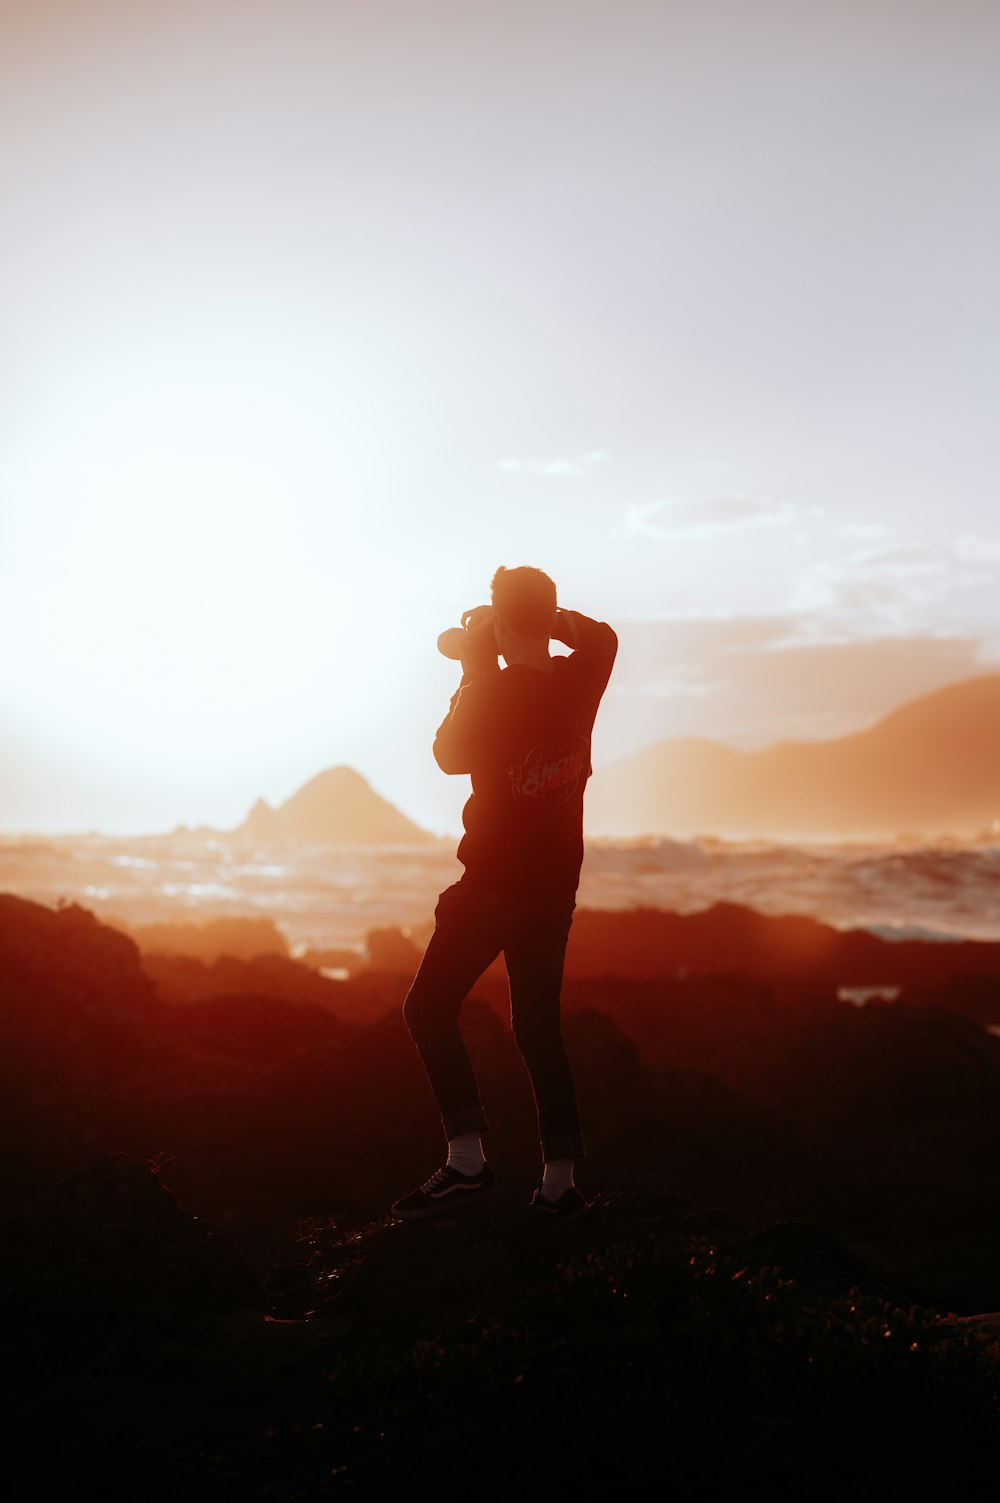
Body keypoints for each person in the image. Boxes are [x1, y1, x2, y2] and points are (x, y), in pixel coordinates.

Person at [391, 565, 618, 1220]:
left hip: (492, 884)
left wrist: (473, 660)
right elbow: (601, 638)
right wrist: (534, 624)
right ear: (549, 615)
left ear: (498, 614)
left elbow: (445, 753)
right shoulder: (582, 679)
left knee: (427, 1009)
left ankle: (467, 1162)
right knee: (538, 1027)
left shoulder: (488, 690)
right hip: (555, 890)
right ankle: (559, 1182)